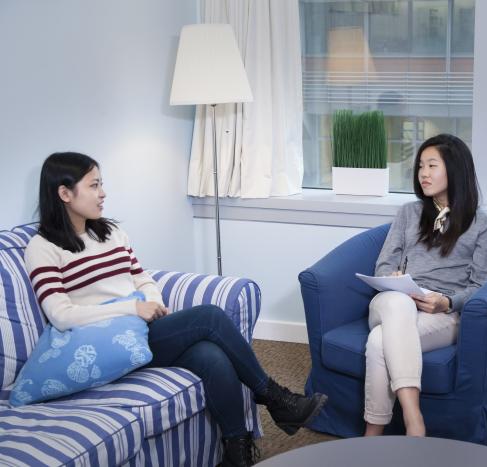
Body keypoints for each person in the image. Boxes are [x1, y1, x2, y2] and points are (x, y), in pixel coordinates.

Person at [24, 152, 327, 467]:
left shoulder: (110, 232)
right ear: (64, 193)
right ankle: (275, 398)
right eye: (94, 185)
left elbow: (141, 277)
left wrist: (153, 302)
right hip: (106, 346)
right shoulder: (43, 248)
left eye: (102, 184)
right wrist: (133, 308)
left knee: (211, 355)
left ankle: (237, 454)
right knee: (209, 317)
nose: (103, 193)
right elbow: (61, 314)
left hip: (140, 330)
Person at [364, 134, 487, 437]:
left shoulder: (483, 227)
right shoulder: (408, 213)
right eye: (420, 167)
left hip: (440, 315)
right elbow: (383, 266)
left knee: (378, 342)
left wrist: (448, 302)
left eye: (432, 165)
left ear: (455, 170)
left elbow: (482, 287)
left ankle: (372, 434)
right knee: (398, 303)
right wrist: (396, 280)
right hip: (392, 301)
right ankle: (415, 421)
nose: (423, 174)